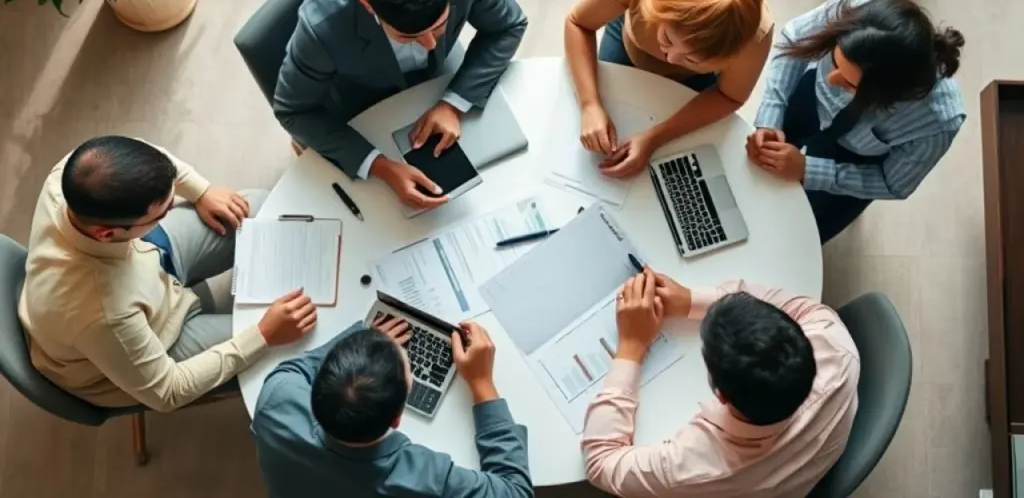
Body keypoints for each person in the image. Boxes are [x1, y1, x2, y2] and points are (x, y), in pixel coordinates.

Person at [18, 136, 317, 412]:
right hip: (151, 337)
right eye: (162, 212)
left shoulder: (75, 172)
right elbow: (168, 391)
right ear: (107, 233)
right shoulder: (103, 314)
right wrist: (262, 335)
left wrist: (202, 192)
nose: (174, 206)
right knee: (295, 338)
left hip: (145, 261)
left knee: (258, 211)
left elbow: (156, 157)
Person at [274, 0, 528, 212]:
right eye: (409, 36)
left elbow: (509, 24)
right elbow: (292, 109)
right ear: (368, 6)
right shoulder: (322, 26)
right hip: (357, 106)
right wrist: (380, 167)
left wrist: (453, 104)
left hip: (436, 83)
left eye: (440, 26)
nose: (431, 44)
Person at [582, 268, 859, 497]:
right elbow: (796, 307)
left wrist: (631, 345)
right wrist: (689, 300)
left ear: (721, 394)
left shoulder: (691, 467)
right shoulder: (836, 345)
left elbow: (600, 462)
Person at [746, 0, 966, 243]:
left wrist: (808, 169)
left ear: (886, 95)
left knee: (800, 236)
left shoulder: (938, 122)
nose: (831, 78)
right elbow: (794, 39)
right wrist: (771, 115)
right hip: (809, 101)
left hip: (859, 158)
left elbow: (892, 183)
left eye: (849, 83)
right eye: (834, 62)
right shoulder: (854, 11)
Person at [251, 316, 533, 498]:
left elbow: (294, 368)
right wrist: (483, 384)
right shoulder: (426, 479)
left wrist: (362, 346)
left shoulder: (275, 399)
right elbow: (515, 493)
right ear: (396, 419)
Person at [564, 0, 773, 178]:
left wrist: (654, 138)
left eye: (692, 58)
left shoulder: (754, 41)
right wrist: (589, 103)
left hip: (695, 83)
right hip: (627, 42)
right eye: (666, 38)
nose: (670, 59)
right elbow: (577, 22)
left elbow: (729, 95)